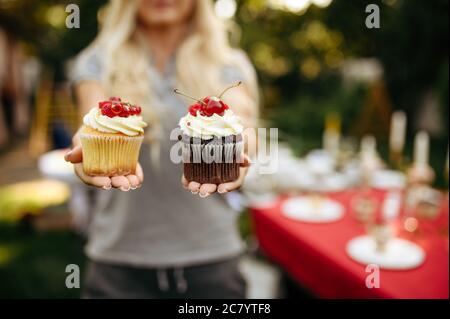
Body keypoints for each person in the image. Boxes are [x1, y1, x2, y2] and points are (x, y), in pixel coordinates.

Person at [65, 0, 259, 298]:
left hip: (212, 262)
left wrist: (238, 153)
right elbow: (92, 123)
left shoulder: (229, 63)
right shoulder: (96, 61)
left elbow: (245, 129)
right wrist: (86, 147)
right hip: (118, 265)